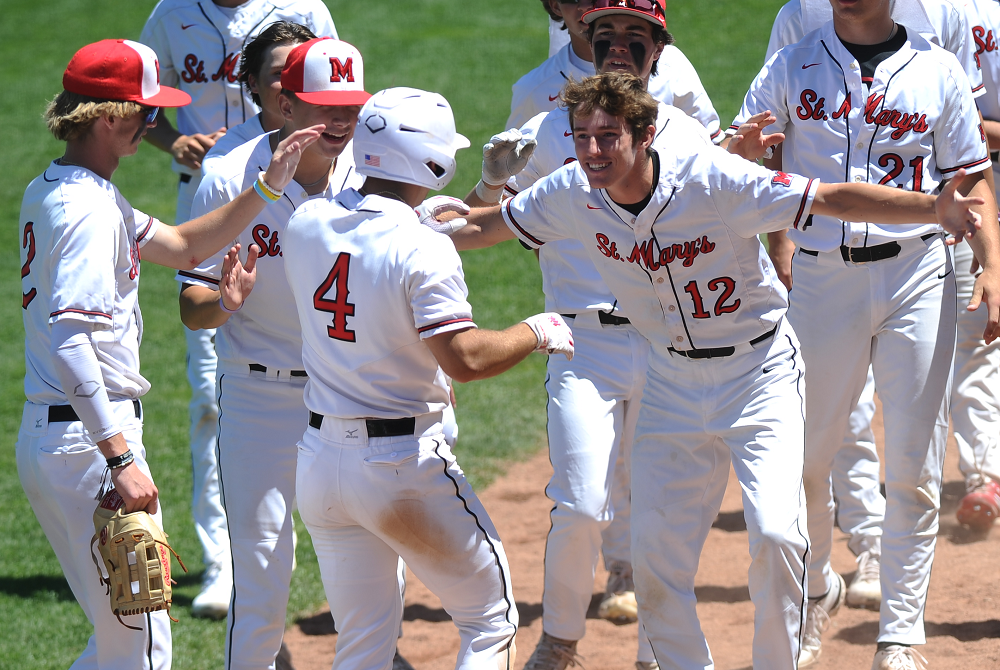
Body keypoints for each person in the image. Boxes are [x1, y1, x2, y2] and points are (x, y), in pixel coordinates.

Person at [428, 70, 987, 670]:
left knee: (776, 535)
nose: (591, 150)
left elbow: (830, 198)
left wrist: (932, 206)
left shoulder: (712, 178)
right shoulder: (571, 191)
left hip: (759, 373)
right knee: (655, 557)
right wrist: (405, 226)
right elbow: (485, 227)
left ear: (643, 136)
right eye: (581, 135)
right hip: (669, 378)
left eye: (607, 136)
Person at [16, 38, 318, 670]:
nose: (155, 125)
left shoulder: (61, 189)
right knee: (144, 648)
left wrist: (266, 187)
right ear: (109, 117)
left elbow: (183, 247)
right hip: (90, 444)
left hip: (58, 440)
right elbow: (73, 342)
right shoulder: (87, 213)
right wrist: (119, 455)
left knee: (116, 643)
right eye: (147, 113)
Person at [733, 0, 1000, 665]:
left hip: (920, 275)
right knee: (805, 460)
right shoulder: (790, 66)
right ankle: (817, 586)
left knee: (913, 462)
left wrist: (993, 260)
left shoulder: (936, 70)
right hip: (823, 278)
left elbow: (969, 178)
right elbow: (747, 159)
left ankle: (901, 636)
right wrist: (773, 226)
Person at [283, 86, 575, 670]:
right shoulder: (421, 248)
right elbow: (465, 358)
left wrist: (475, 195)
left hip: (320, 467)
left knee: (363, 640)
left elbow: (377, 235)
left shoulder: (307, 220)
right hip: (402, 468)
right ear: (433, 160)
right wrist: (536, 330)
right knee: (490, 622)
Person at [465, 3, 722, 668]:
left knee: (662, 514)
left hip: (670, 343)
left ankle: (656, 650)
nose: (615, 49)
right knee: (579, 503)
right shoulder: (553, 128)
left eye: (634, 39)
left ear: (659, 49)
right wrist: (492, 181)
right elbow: (484, 225)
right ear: (583, 36)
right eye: (603, 34)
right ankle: (560, 640)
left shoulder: (685, 133)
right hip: (585, 344)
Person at [178, 36, 373, 670]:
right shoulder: (229, 178)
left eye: (351, 105)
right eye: (324, 105)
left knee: (372, 559)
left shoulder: (373, 166)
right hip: (260, 397)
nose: (341, 120)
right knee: (261, 573)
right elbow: (192, 305)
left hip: (352, 391)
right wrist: (228, 301)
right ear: (284, 104)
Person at [139, 0, 337, 618]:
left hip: (307, 201)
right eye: (272, 76)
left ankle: (341, 561)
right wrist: (176, 140)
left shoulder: (306, 9)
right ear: (248, 83)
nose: (286, 85)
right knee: (211, 400)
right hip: (215, 215)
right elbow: (139, 105)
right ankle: (225, 563)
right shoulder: (169, 14)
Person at [509, 0, 721, 142]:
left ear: (658, 49)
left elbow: (713, 148)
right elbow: (513, 178)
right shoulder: (535, 91)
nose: (584, 6)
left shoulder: (673, 67)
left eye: (633, 34)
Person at [951, 0, 1000, 533]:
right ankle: (987, 472)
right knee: (982, 340)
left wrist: (961, 136)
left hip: (972, 201)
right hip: (971, 214)